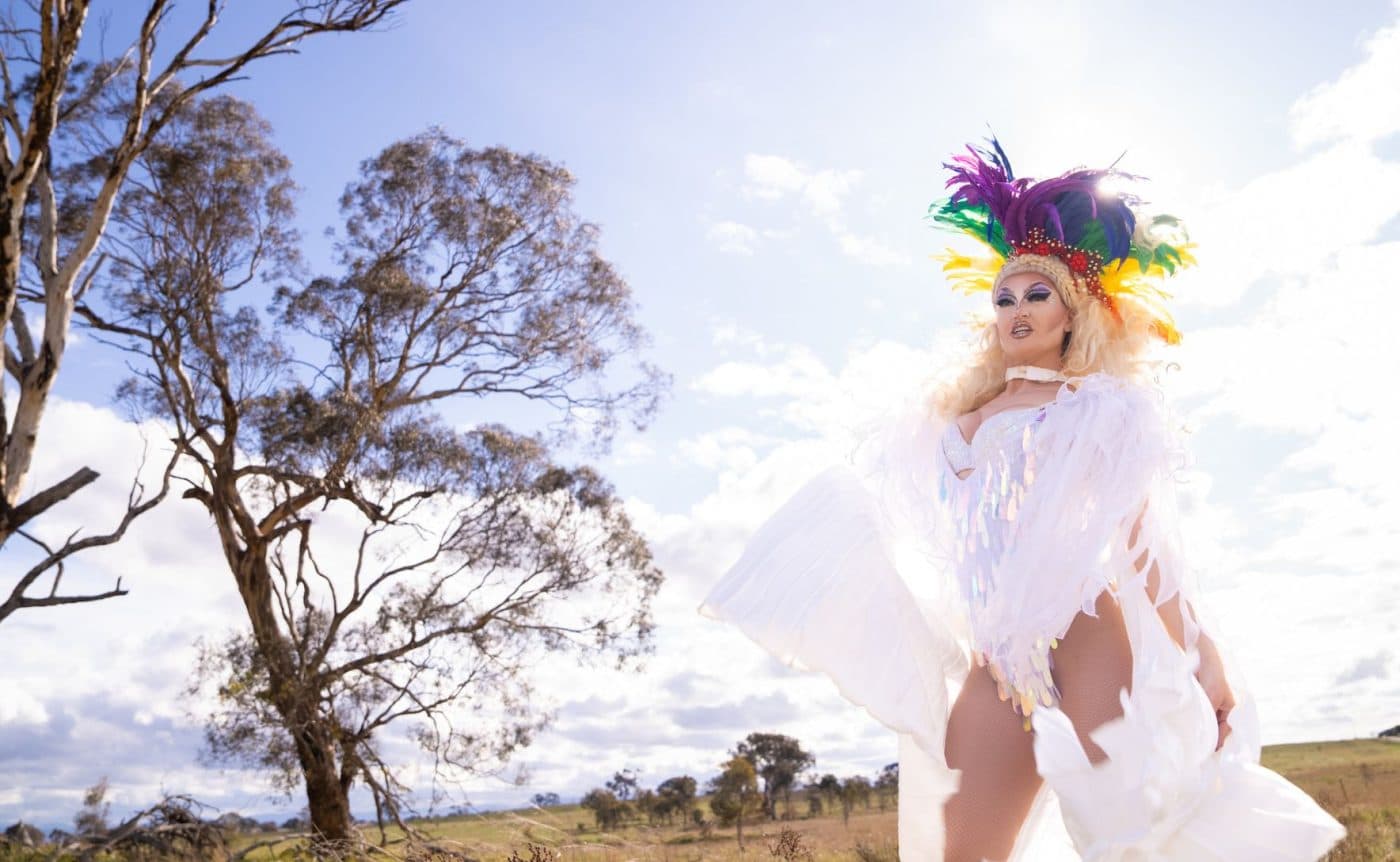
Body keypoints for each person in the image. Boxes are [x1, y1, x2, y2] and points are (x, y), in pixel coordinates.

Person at [697, 137, 1347, 861]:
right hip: (997, 659)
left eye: (1038, 295)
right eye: (1003, 298)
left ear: (1075, 315)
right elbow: (917, 531)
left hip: (1088, 634)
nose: (1017, 309)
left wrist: (1206, 657)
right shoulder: (948, 420)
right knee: (962, 850)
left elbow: (1141, 538)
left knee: (1128, 838)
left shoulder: (1095, 408)